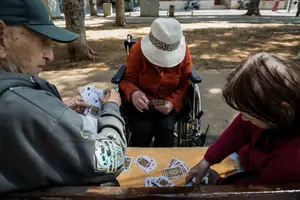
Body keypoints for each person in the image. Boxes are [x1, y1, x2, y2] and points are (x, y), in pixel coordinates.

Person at [0, 0, 126, 194]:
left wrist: (56, 108)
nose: (50, 55)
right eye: (42, 40)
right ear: (2, 37)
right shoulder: (24, 107)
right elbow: (112, 159)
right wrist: (111, 109)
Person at [186, 52, 300, 186]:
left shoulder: (291, 160)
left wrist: (218, 182)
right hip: (249, 163)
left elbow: (257, 189)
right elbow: (240, 128)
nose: (244, 118)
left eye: (249, 113)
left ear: (283, 111)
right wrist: (207, 160)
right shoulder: (270, 112)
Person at [119, 18, 192, 147]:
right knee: (141, 130)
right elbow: (127, 80)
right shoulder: (137, 50)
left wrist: (172, 103)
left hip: (169, 100)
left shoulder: (185, 53)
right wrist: (134, 93)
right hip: (141, 102)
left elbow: (185, 85)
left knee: (165, 131)